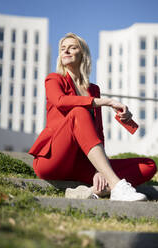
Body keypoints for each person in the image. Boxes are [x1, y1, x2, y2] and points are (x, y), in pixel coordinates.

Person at [28, 33, 157, 201]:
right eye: (63, 49)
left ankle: (94, 191)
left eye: (72, 47)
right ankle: (117, 187)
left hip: (82, 165)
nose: (66, 51)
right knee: (79, 111)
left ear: (83, 54)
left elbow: (99, 132)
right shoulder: (54, 79)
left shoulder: (93, 89)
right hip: (53, 160)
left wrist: (99, 170)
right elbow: (60, 101)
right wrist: (108, 102)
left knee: (148, 165)